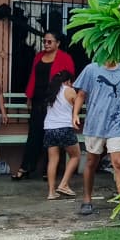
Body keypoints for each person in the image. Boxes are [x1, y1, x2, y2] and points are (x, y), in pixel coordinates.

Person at [72, 58, 120, 219]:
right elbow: (81, 94)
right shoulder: (91, 69)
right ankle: (87, 200)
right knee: (92, 162)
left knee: (119, 163)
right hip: (95, 123)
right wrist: (75, 114)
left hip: (116, 124)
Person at [15, 30, 76, 180]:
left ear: (58, 43)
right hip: (38, 99)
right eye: (44, 41)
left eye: (49, 42)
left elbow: (70, 80)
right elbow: (33, 77)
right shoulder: (38, 56)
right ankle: (26, 167)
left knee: (52, 133)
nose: (46, 44)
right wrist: (29, 96)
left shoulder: (65, 58)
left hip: (55, 100)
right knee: (35, 133)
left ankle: (48, 171)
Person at [42, 70, 81, 200]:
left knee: (53, 160)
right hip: (64, 127)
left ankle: (51, 192)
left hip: (49, 128)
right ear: (68, 81)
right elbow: (78, 104)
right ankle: (64, 184)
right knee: (75, 156)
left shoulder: (51, 91)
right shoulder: (70, 90)